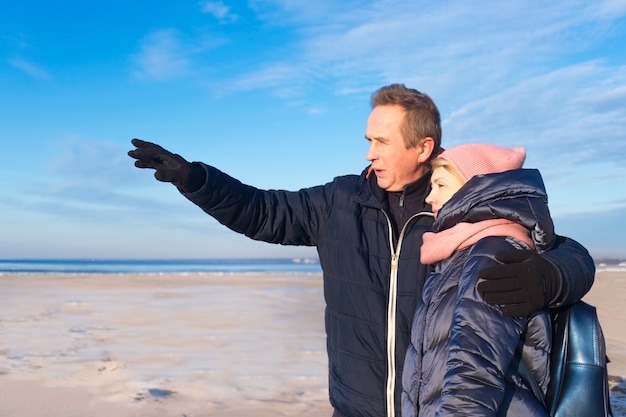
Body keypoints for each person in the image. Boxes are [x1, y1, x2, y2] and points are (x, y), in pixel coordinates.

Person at [128, 84, 595, 417]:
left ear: (422, 146)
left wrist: (551, 277)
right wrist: (196, 181)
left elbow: (559, 249)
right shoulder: (339, 201)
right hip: (355, 406)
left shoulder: (457, 205)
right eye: (367, 140)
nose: (369, 152)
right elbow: (262, 212)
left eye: (381, 141)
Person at [402, 144, 556, 417]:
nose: (429, 197)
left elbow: (474, 374)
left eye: (440, 185)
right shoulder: (461, 255)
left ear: (470, 190)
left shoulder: (493, 254)